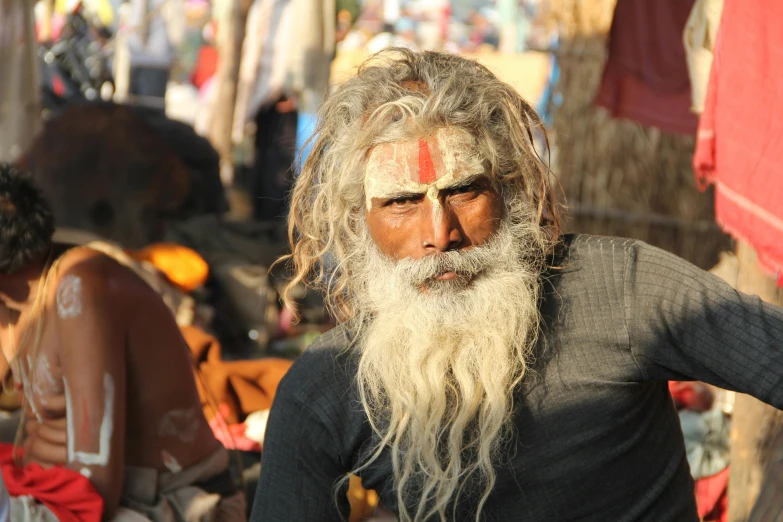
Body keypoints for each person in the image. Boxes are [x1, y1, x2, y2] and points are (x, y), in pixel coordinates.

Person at [250, 48, 783, 521]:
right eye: (401, 201)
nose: (440, 235)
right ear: (358, 220)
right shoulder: (325, 387)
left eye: (463, 191)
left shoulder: (621, 288)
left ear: (510, 191)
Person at [0, 164, 245, 521]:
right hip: (59, 491)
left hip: (162, 502)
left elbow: (94, 487)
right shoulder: (10, 300)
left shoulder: (78, 288)